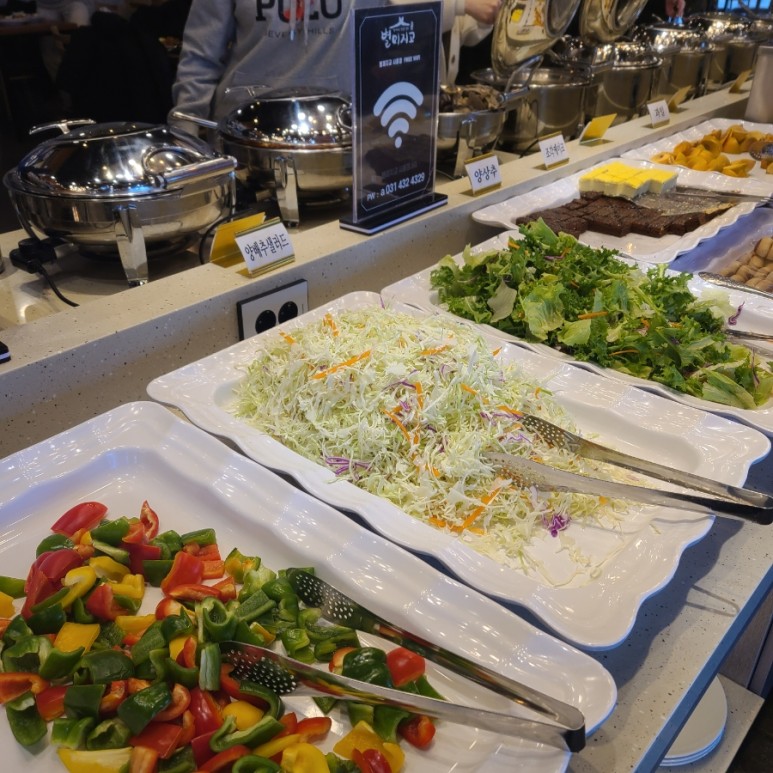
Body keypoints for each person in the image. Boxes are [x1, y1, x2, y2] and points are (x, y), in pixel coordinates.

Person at [170, 0, 501, 133]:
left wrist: (461, 6)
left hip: (339, 136)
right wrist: (187, 139)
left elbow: (400, 10)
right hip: (246, 136)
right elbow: (199, 58)